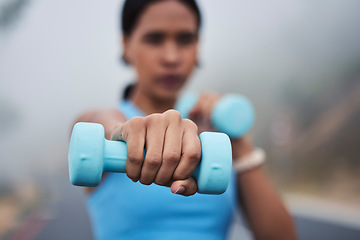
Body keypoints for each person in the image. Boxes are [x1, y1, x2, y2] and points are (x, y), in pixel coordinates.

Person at [75, 0, 297, 239]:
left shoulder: (215, 135)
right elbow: (98, 122)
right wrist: (121, 130)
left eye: (185, 39)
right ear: (126, 45)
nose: (171, 57)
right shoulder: (105, 128)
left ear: (197, 47)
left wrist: (240, 146)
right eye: (154, 39)